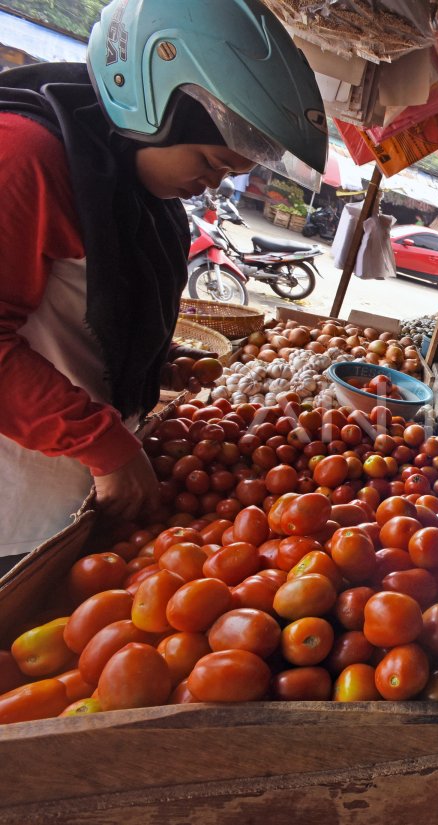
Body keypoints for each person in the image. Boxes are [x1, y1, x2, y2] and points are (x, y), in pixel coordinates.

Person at [0, 0, 328, 568]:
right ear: (153, 107)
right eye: (209, 160)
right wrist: (100, 442)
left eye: (227, 174)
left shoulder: (137, 189)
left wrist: (154, 357)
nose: (211, 186)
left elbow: (86, 309)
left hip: (74, 496)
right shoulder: (24, 159)